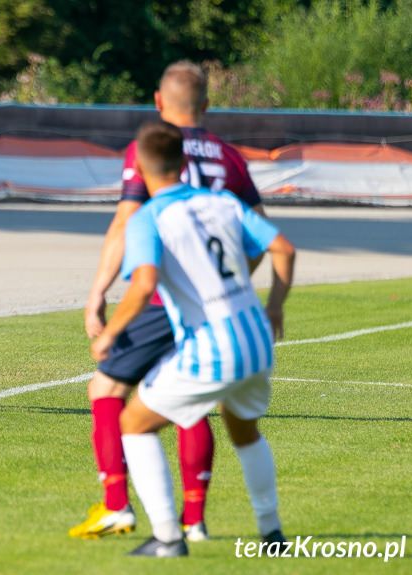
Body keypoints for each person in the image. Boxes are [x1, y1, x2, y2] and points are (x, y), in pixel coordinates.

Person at [70, 60, 266, 540]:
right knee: (190, 404)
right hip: (215, 306)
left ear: (159, 102)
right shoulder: (229, 156)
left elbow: (125, 222)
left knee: (106, 390)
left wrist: (97, 292)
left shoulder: (149, 150)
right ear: (207, 104)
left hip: (159, 299)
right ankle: (194, 522)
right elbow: (258, 228)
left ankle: (117, 504)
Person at [90, 120, 295, 557]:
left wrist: (110, 332)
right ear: (184, 164)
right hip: (257, 337)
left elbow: (144, 285)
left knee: (133, 423)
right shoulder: (222, 201)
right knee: (245, 432)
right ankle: (272, 533)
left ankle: (167, 537)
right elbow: (283, 248)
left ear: (141, 170)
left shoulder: (148, 217)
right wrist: (275, 305)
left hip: (214, 345)